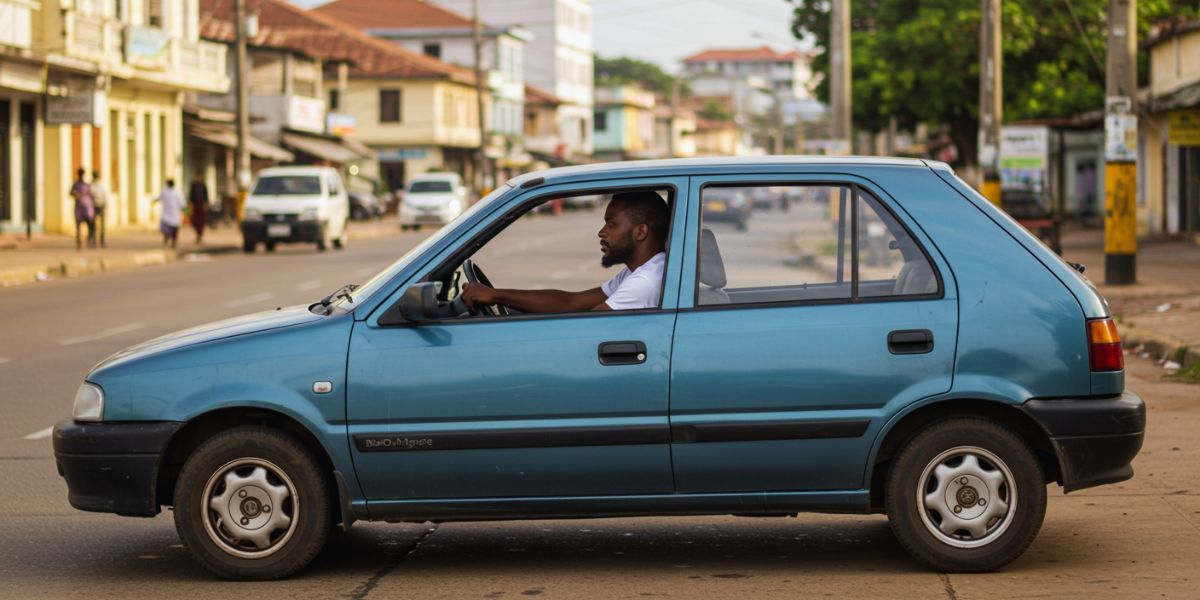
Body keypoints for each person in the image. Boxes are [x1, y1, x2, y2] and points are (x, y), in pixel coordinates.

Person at [461, 190, 669, 313]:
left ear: (641, 232)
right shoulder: (640, 271)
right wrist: (495, 295)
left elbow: (585, 330)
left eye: (611, 225)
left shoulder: (645, 282)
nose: (601, 232)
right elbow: (572, 302)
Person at [154, 179, 185, 248]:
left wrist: (186, 211)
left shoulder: (175, 192)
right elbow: (182, 203)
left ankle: (172, 240)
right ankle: (168, 237)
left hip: (173, 213)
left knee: (171, 228)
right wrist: (185, 211)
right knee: (168, 228)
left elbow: (181, 203)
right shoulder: (170, 192)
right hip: (169, 214)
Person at [70, 168, 95, 251]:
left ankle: (88, 239)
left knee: (89, 224)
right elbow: (71, 193)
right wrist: (76, 194)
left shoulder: (86, 185)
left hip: (87, 207)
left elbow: (92, 195)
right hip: (80, 207)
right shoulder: (76, 184)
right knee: (79, 226)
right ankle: (79, 241)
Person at [188, 173, 209, 244]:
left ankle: (199, 235)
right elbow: (191, 195)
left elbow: (206, 196)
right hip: (195, 205)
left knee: (201, 221)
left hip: (201, 205)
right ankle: (198, 233)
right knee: (194, 221)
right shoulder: (193, 185)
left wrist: (206, 204)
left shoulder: (203, 185)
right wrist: (190, 204)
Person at [90, 170, 108, 248]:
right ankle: (97, 240)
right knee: (96, 224)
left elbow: (104, 196)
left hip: (98, 206)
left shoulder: (93, 186)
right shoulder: (96, 186)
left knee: (97, 224)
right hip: (96, 206)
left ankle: (99, 240)